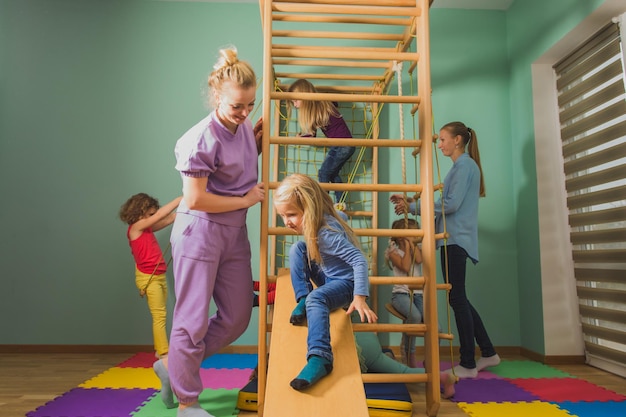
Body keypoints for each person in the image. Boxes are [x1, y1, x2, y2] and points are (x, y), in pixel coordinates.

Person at [152, 46, 265, 417]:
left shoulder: (244, 126)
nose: (246, 113)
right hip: (198, 231)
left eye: (251, 104)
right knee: (192, 319)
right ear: (218, 96)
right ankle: (188, 402)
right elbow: (196, 199)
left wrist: (257, 141)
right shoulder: (199, 138)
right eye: (238, 106)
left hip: (233, 233)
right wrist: (247, 200)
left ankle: (172, 366)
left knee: (237, 317)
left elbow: (235, 165)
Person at [390, 121, 500, 379]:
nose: (438, 144)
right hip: (454, 239)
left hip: (455, 240)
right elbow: (446, 202)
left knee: (457, 299)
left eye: (442, 140)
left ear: (458, 140)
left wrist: (414, 208)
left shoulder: (464, 166)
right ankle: (488, 352)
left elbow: (449, 205)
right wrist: (412, 203)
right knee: (459, 298)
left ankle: (468, 364)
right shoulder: (462, 167)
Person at [273, 173, 377, 390]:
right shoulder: (325, 219)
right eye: (283, 216)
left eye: (291, 214)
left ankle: (320, 357)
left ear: (310, 208)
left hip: (345, 285)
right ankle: (302, 298)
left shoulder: (325, 234)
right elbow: (341, 216)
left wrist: (359, 296)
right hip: (328, 276)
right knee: (298, 249)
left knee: (317, 299)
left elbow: (359, 259)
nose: (287, 222)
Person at [119, 193, 182, 360]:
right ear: (140, 212)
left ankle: (160, 349)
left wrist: (188, 210)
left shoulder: (146, 228)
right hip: (148, 277)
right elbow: (162, 215)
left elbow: (168, 218)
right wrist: (182, 198)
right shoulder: (136, 228)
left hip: (159, 275)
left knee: (162, 313)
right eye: (151, 215)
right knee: (159, 315)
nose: (154, 217)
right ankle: (163, 352)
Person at [288, 79, 355, 207]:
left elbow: (333, 102)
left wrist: (301, 138)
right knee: (332, 173)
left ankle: (323, 203)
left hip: (342, 145)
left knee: (323, 173)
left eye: (296, 101)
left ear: (305, 96)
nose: (295, 106)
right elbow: (313, 136)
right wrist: (301, 138)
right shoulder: (318, 111)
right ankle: (341, 203)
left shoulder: (322, 105)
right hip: (343, 145)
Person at [385, 217, 440, 368]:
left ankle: (431, 358)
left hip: (418, 294)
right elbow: (405, 266)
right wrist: (408, 246)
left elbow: (420, 260)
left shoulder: (417, 249)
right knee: (415, 317)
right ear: (402, 235)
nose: (416, 237)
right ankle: (408, 352)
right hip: (400, 295)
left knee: (437, 327)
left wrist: (412, 245)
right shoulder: (392, 251)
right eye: (413, 233)